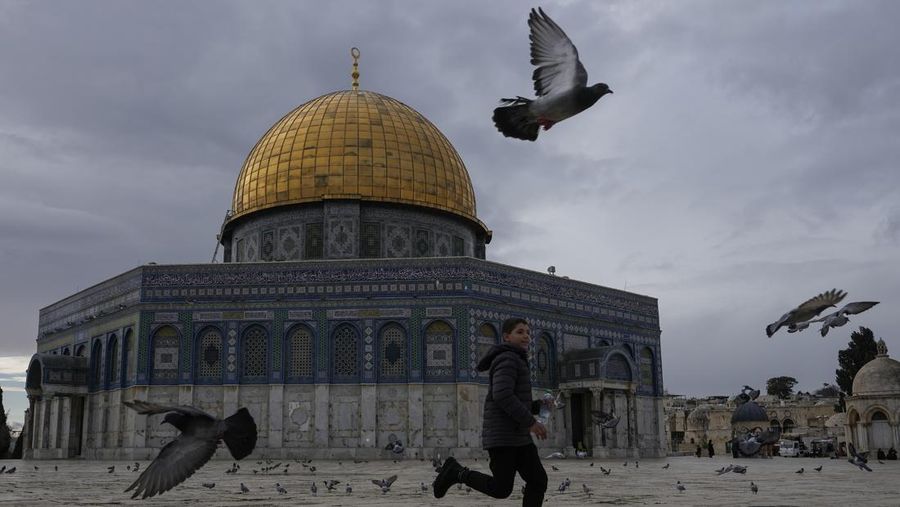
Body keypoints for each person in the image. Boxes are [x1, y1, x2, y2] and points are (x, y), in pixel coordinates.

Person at [433, 317, 549, 506]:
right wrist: (531, 422)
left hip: (517, 437)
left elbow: (514, 399)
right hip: (504, 437)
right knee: (501, 488)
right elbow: (502, 395)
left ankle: (457, 472)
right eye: (520, 332)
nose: (526, 336)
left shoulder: (517, 359)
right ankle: (457, 472)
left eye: (528, 332)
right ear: (506, 337)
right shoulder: (508, 358)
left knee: (537, 480)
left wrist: (539, 406)